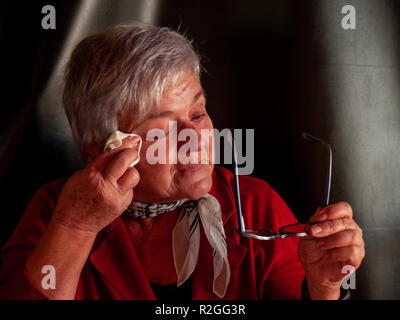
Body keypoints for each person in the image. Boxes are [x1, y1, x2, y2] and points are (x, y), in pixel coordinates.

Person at [0, 23, 364, 300]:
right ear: (105, 146)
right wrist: (75, 227)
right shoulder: (55, 210)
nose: (195, 140)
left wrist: (323, 287)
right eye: (162, 128)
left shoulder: (255, 205)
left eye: (197, 113)